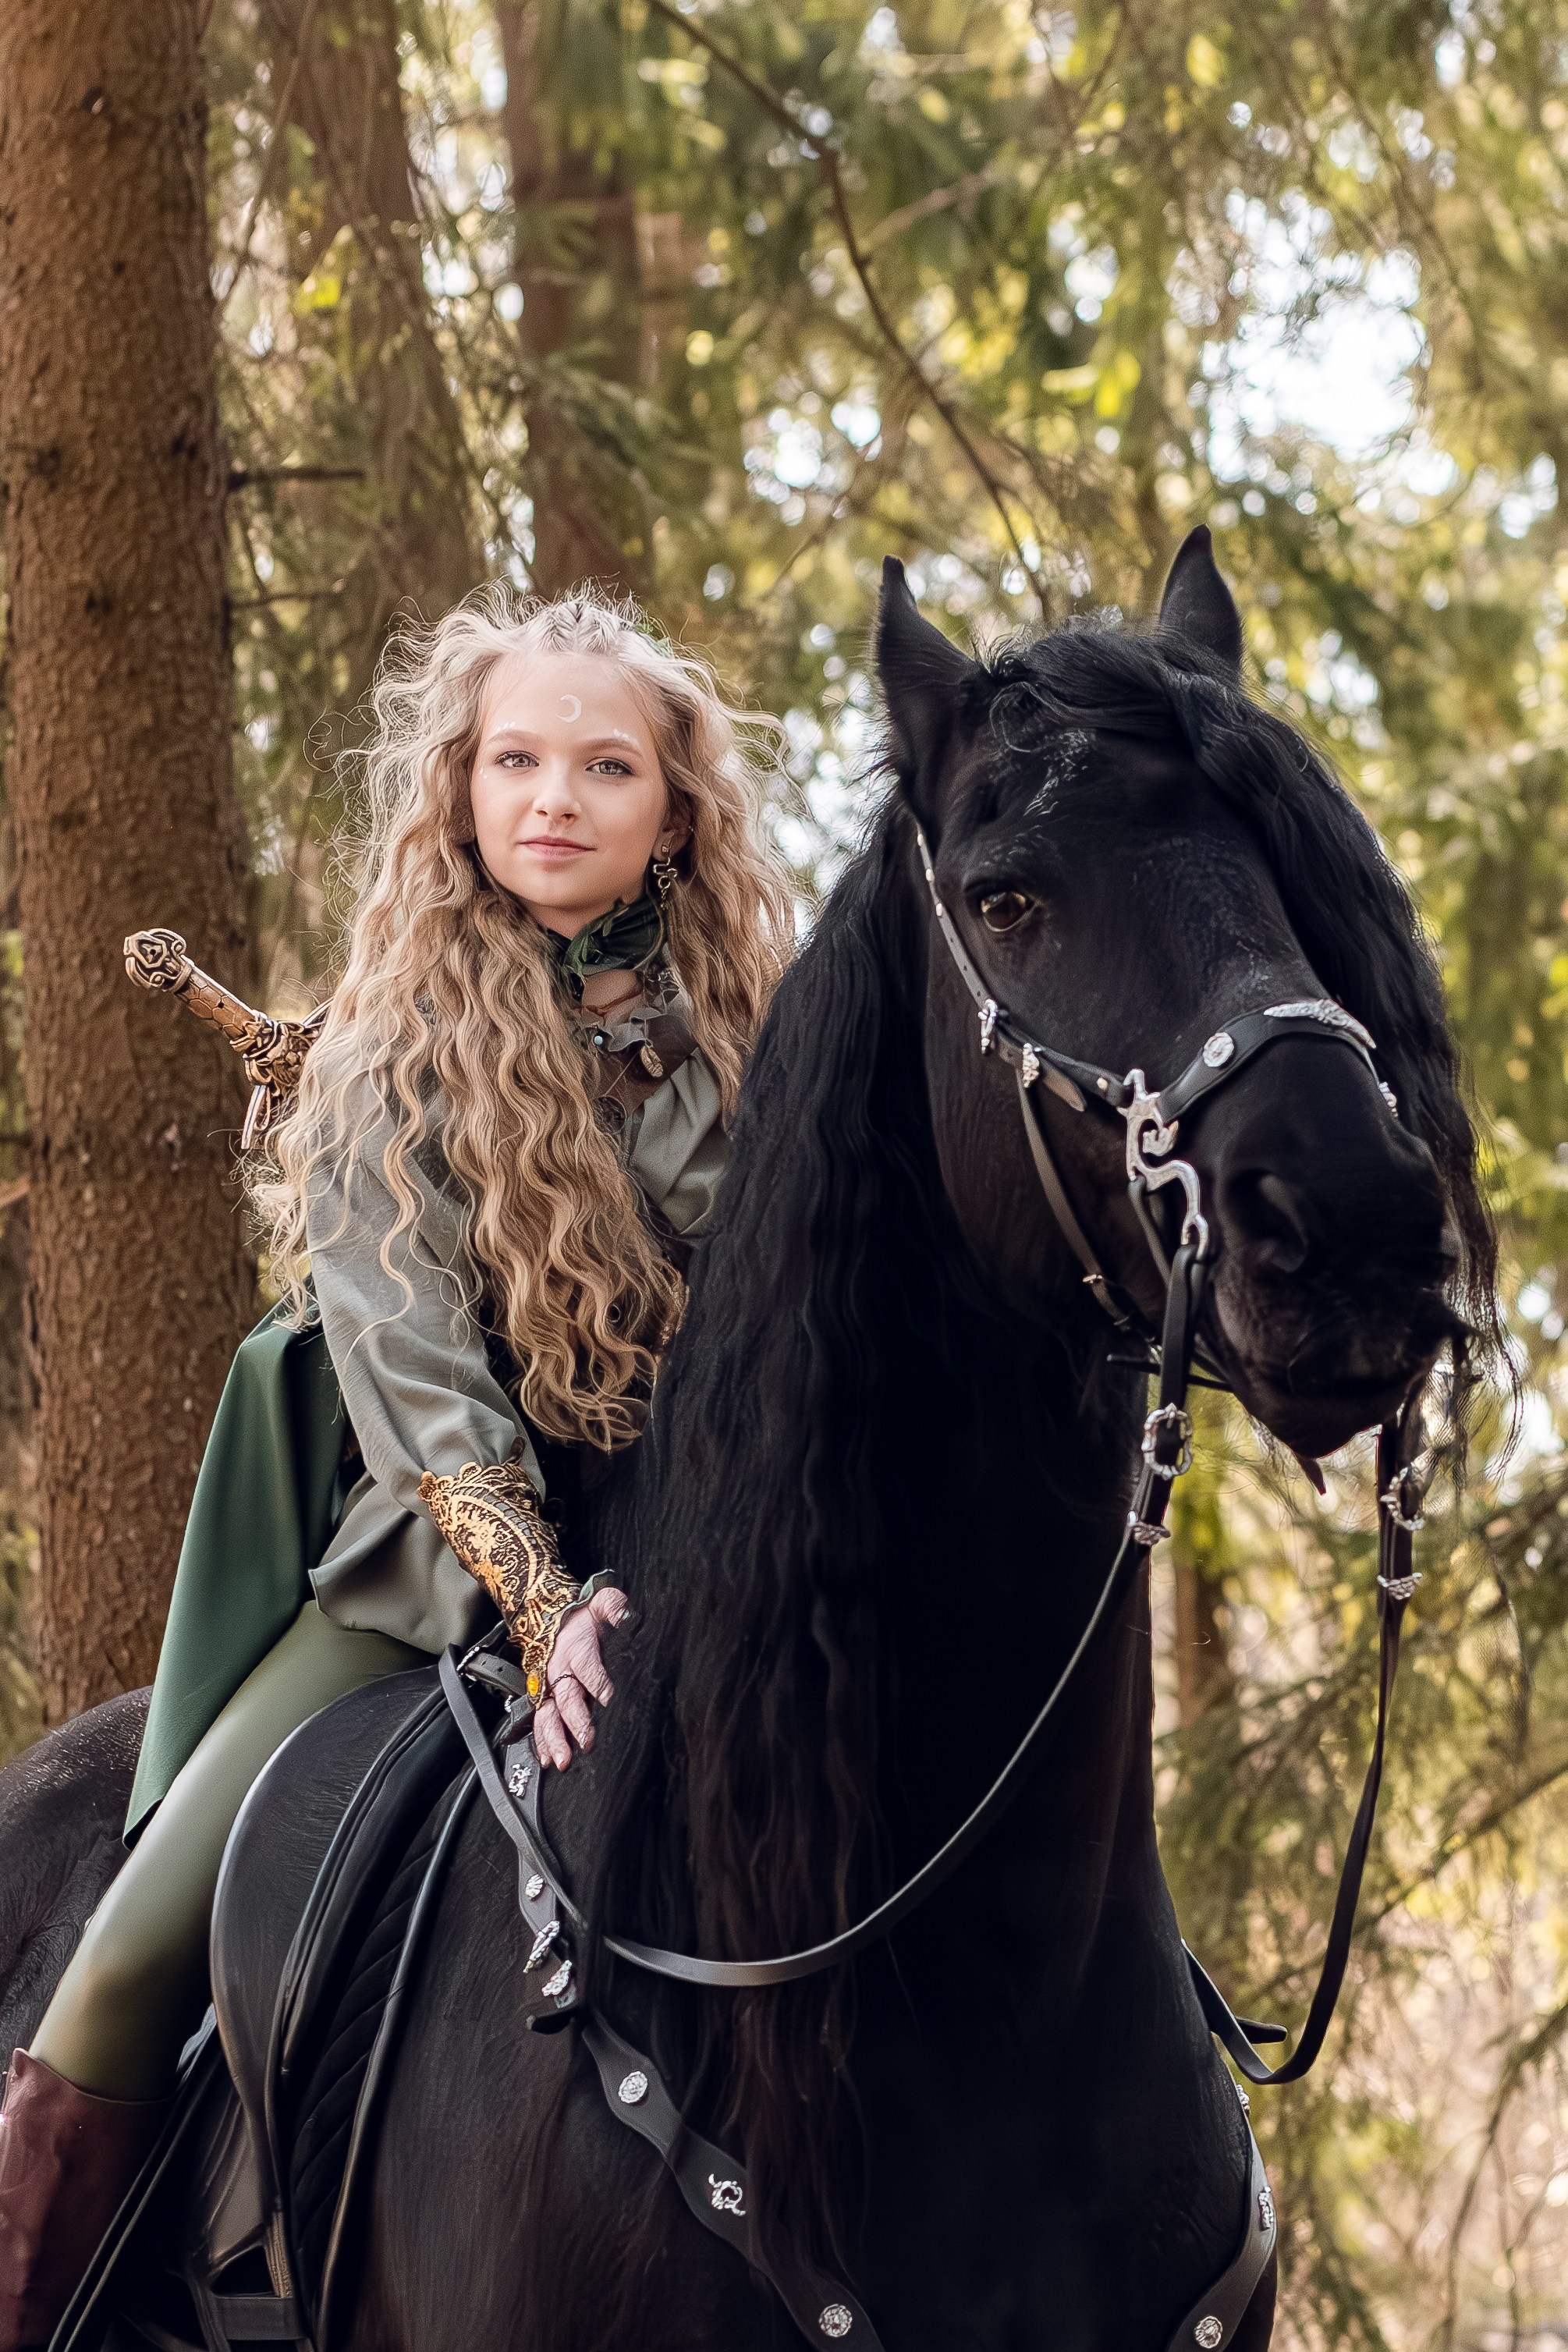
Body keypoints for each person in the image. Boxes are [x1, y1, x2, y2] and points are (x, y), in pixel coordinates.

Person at [0, 586, 793, 2350]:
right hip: (429, 1574)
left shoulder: (764, 1037)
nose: (555, 797)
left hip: (710, 1554)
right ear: (459, 786)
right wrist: (546, 1599)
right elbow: (419, 1373)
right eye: (516, 757)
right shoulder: (384, 1056)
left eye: (606, 764)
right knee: (127, 1952)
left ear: (676, 806)